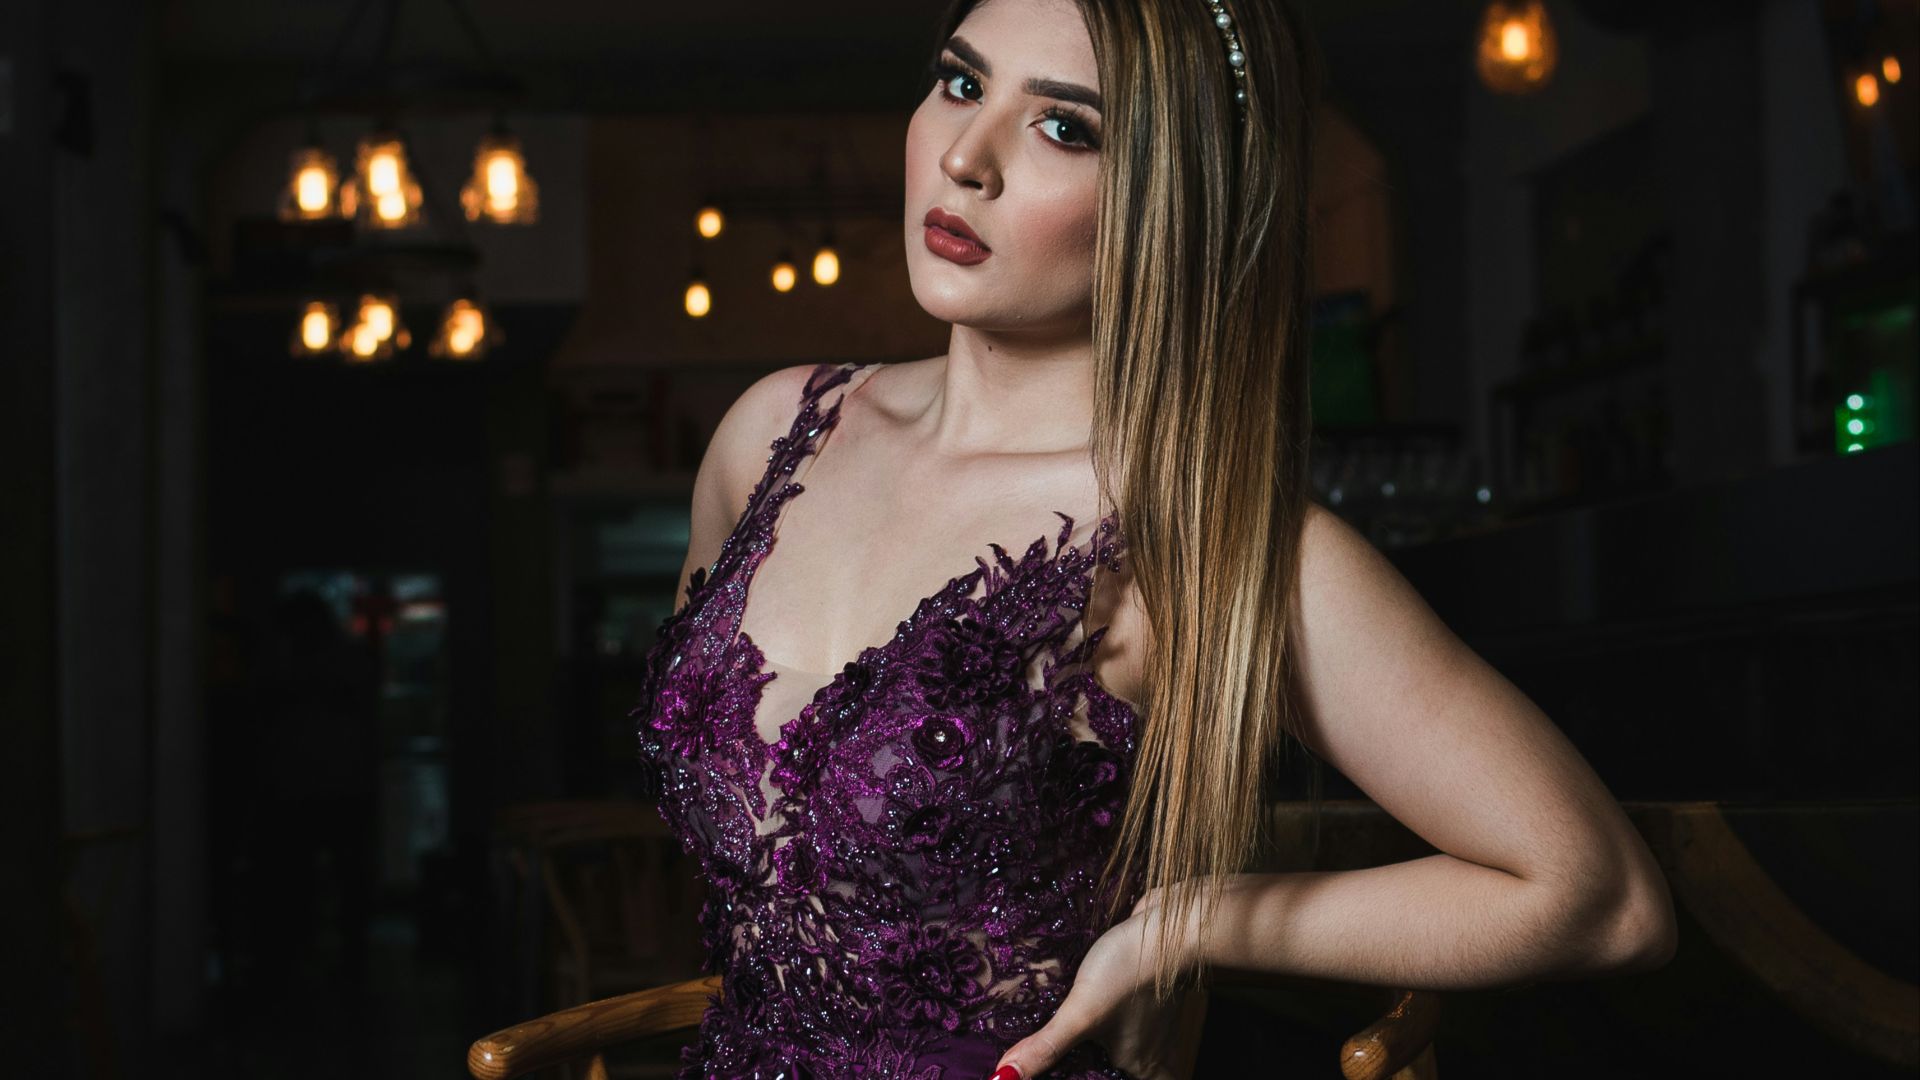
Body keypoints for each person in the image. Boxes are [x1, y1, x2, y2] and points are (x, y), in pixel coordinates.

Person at [631, 0, 1678, 1076]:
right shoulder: (768, 436)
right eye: (960, 82)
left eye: (1065, 128)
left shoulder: (1196, 542)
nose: (964, 158)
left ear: (1170, 201)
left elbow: (1600, 897)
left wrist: (1189, 924)